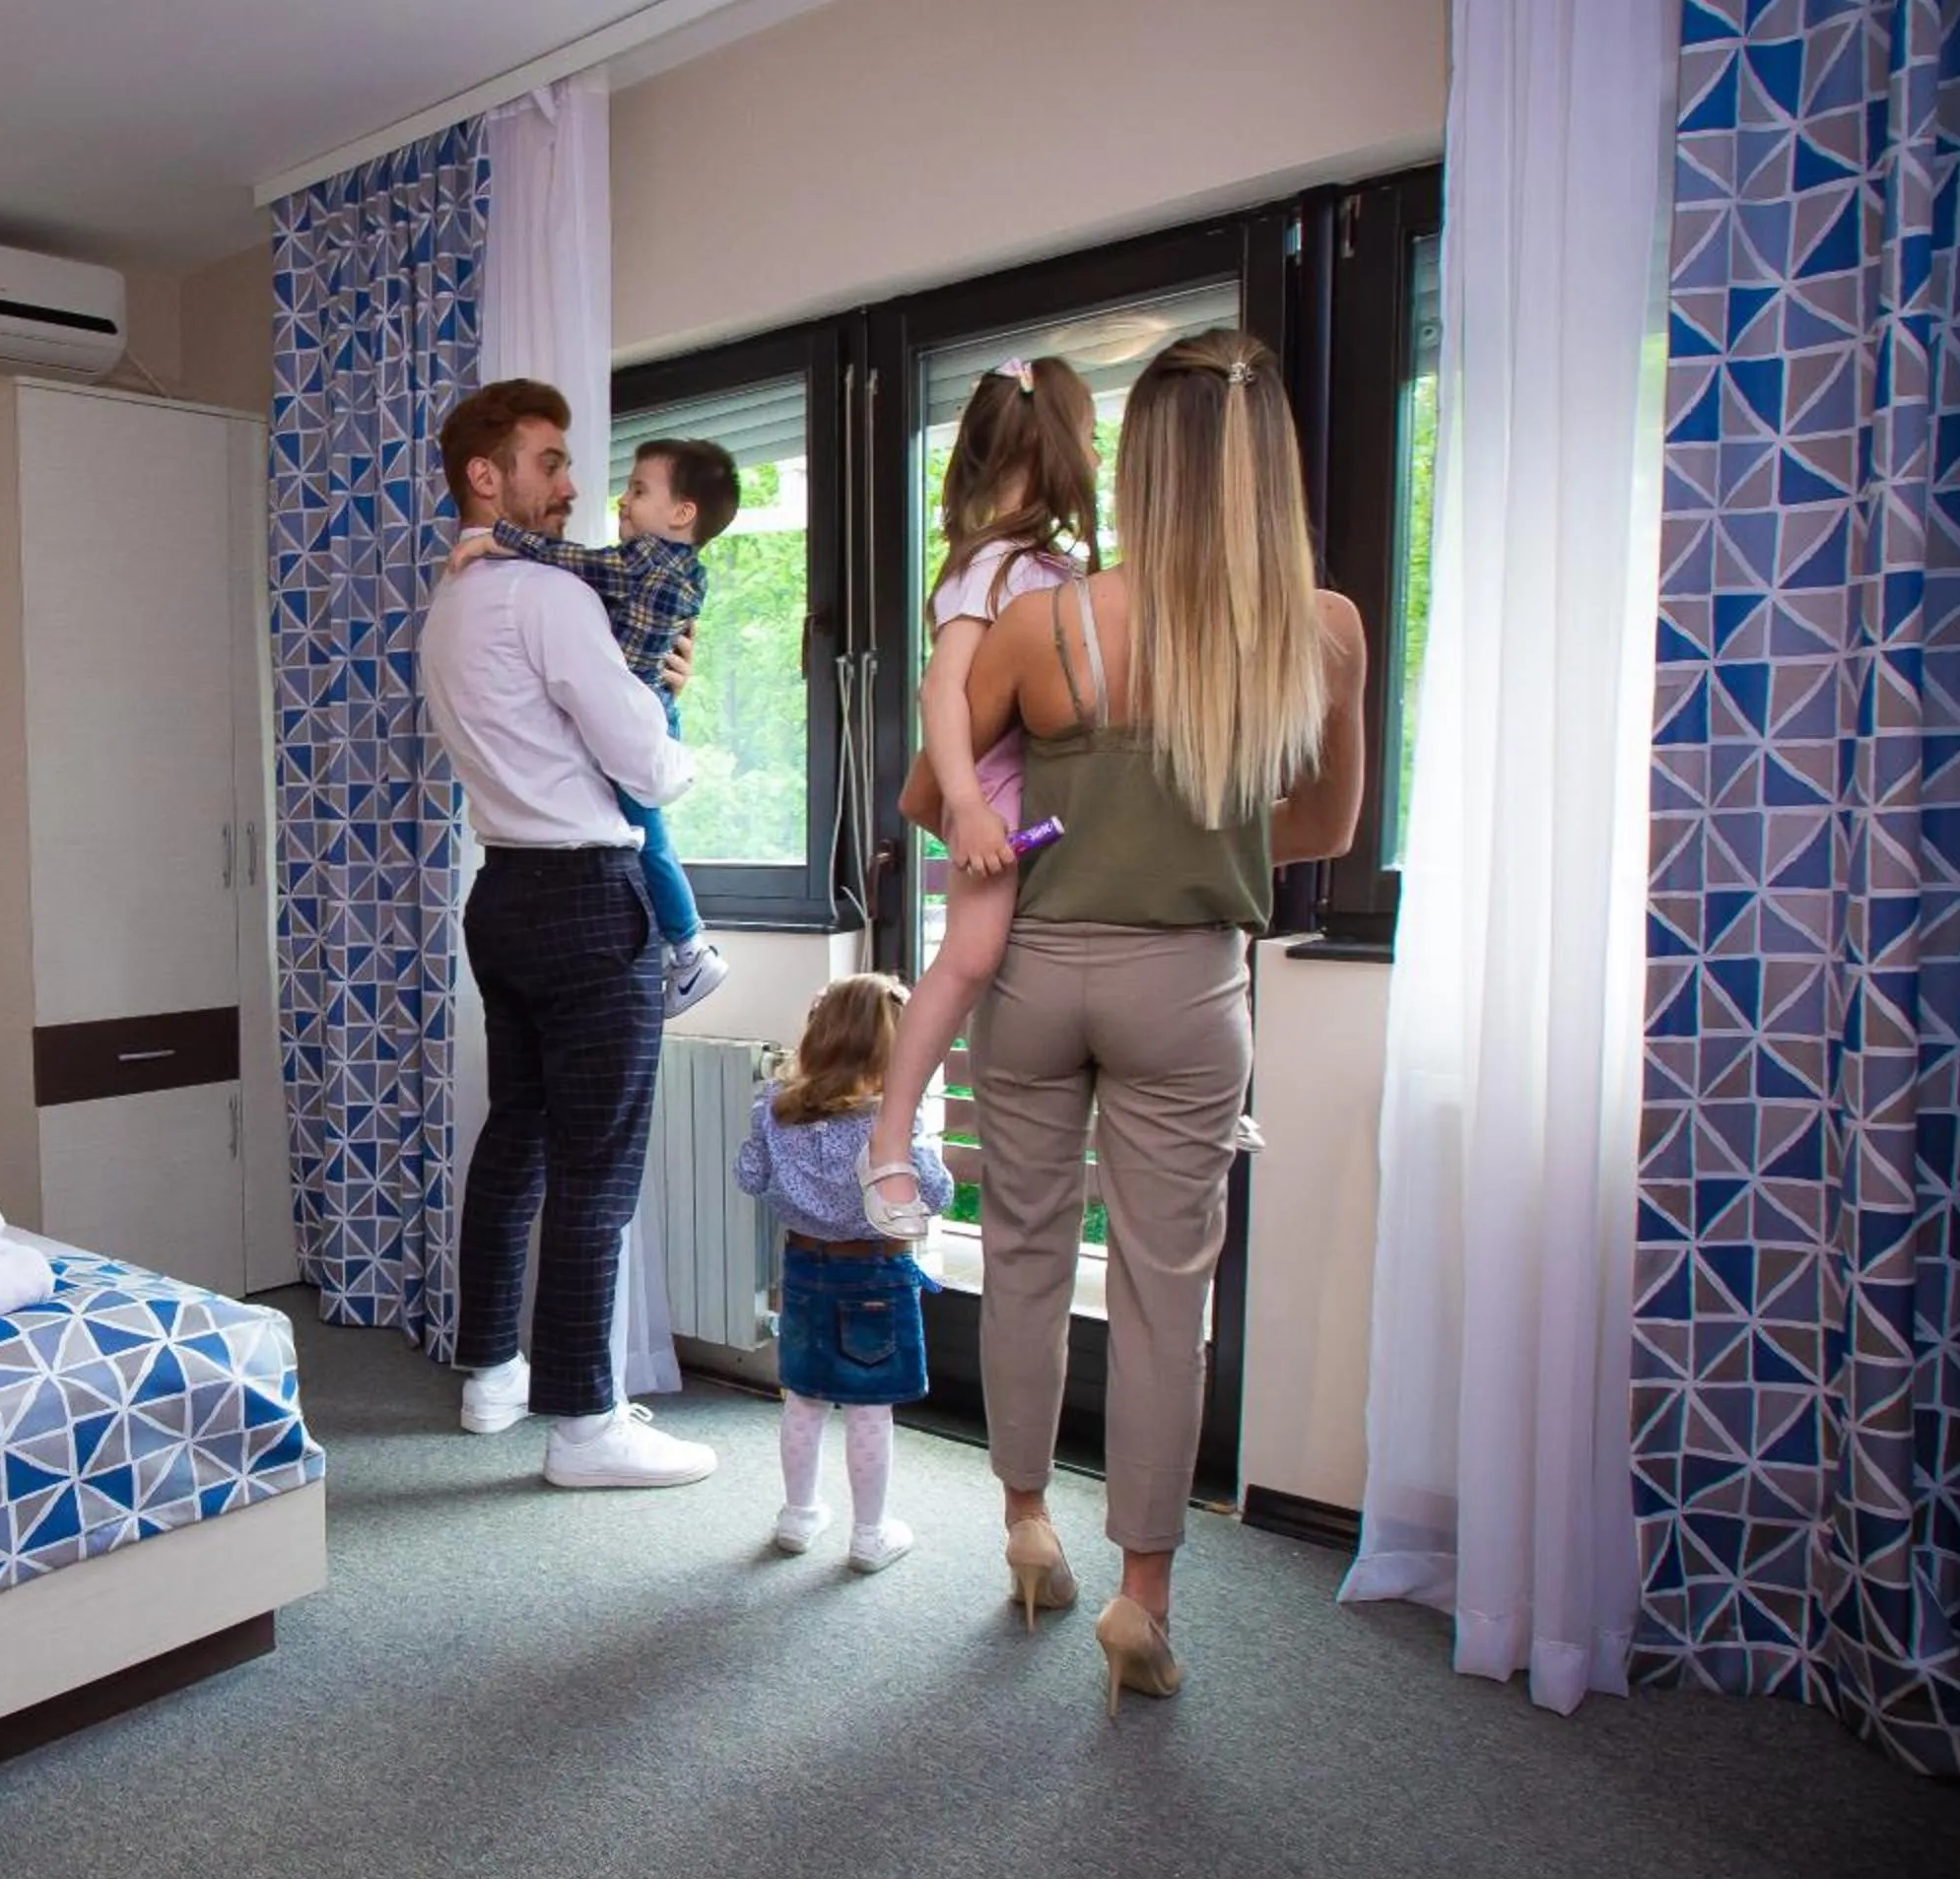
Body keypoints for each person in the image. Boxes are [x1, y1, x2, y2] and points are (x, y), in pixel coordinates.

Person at [953, 328, 1367, 1711]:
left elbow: (932, 801)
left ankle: (1024, 1525)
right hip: (1188, 982)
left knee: (1019, 1252)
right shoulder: (1319, 629)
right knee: (1159, 1298)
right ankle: (1143, 1600)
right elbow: (1321, 825)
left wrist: (1055, 793)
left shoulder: (1045, 622)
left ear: (1146, 462)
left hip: (1034, 975)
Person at [418, 377, 718, 1490]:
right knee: (599, 1163)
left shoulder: (449, 605)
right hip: (590, 900)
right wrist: (675, 727)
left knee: (518, 1138)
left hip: (502, 894)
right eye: (549, 460)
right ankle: (587, 1422)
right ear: (486, 477)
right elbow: (644, 764)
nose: (573, 484)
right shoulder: (546, 600)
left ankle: (490, 1369)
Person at [856, 357, 1100, 1241]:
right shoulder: (994, 567)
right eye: (1094, 439)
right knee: (968, 957)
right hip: (1002, 789)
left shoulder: (1053, 565)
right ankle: (887, 1141)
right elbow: (942, 691)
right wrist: (964, 801)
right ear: (1061, 449)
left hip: (1067, 786)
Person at [451, 437, 743, 1019]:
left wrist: (497, 539)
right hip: (652, 701)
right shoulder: (677, 568)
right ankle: (681, 943)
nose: (623, 501)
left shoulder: (643, 564)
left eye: (638, 490)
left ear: (682, 513)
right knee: (646, 824)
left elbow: (576, 562)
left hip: (644, 705)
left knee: (645, 827)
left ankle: (687, 945)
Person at [732, 973, 949, 1573]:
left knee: (803, 1399)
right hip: (875, 1274)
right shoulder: (890, 1122)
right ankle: (869, 1535)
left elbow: (750, 1178)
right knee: (869, 1409)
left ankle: (797, 1516)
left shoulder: (773, 1111)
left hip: (803, 1270)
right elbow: (936, 1193)